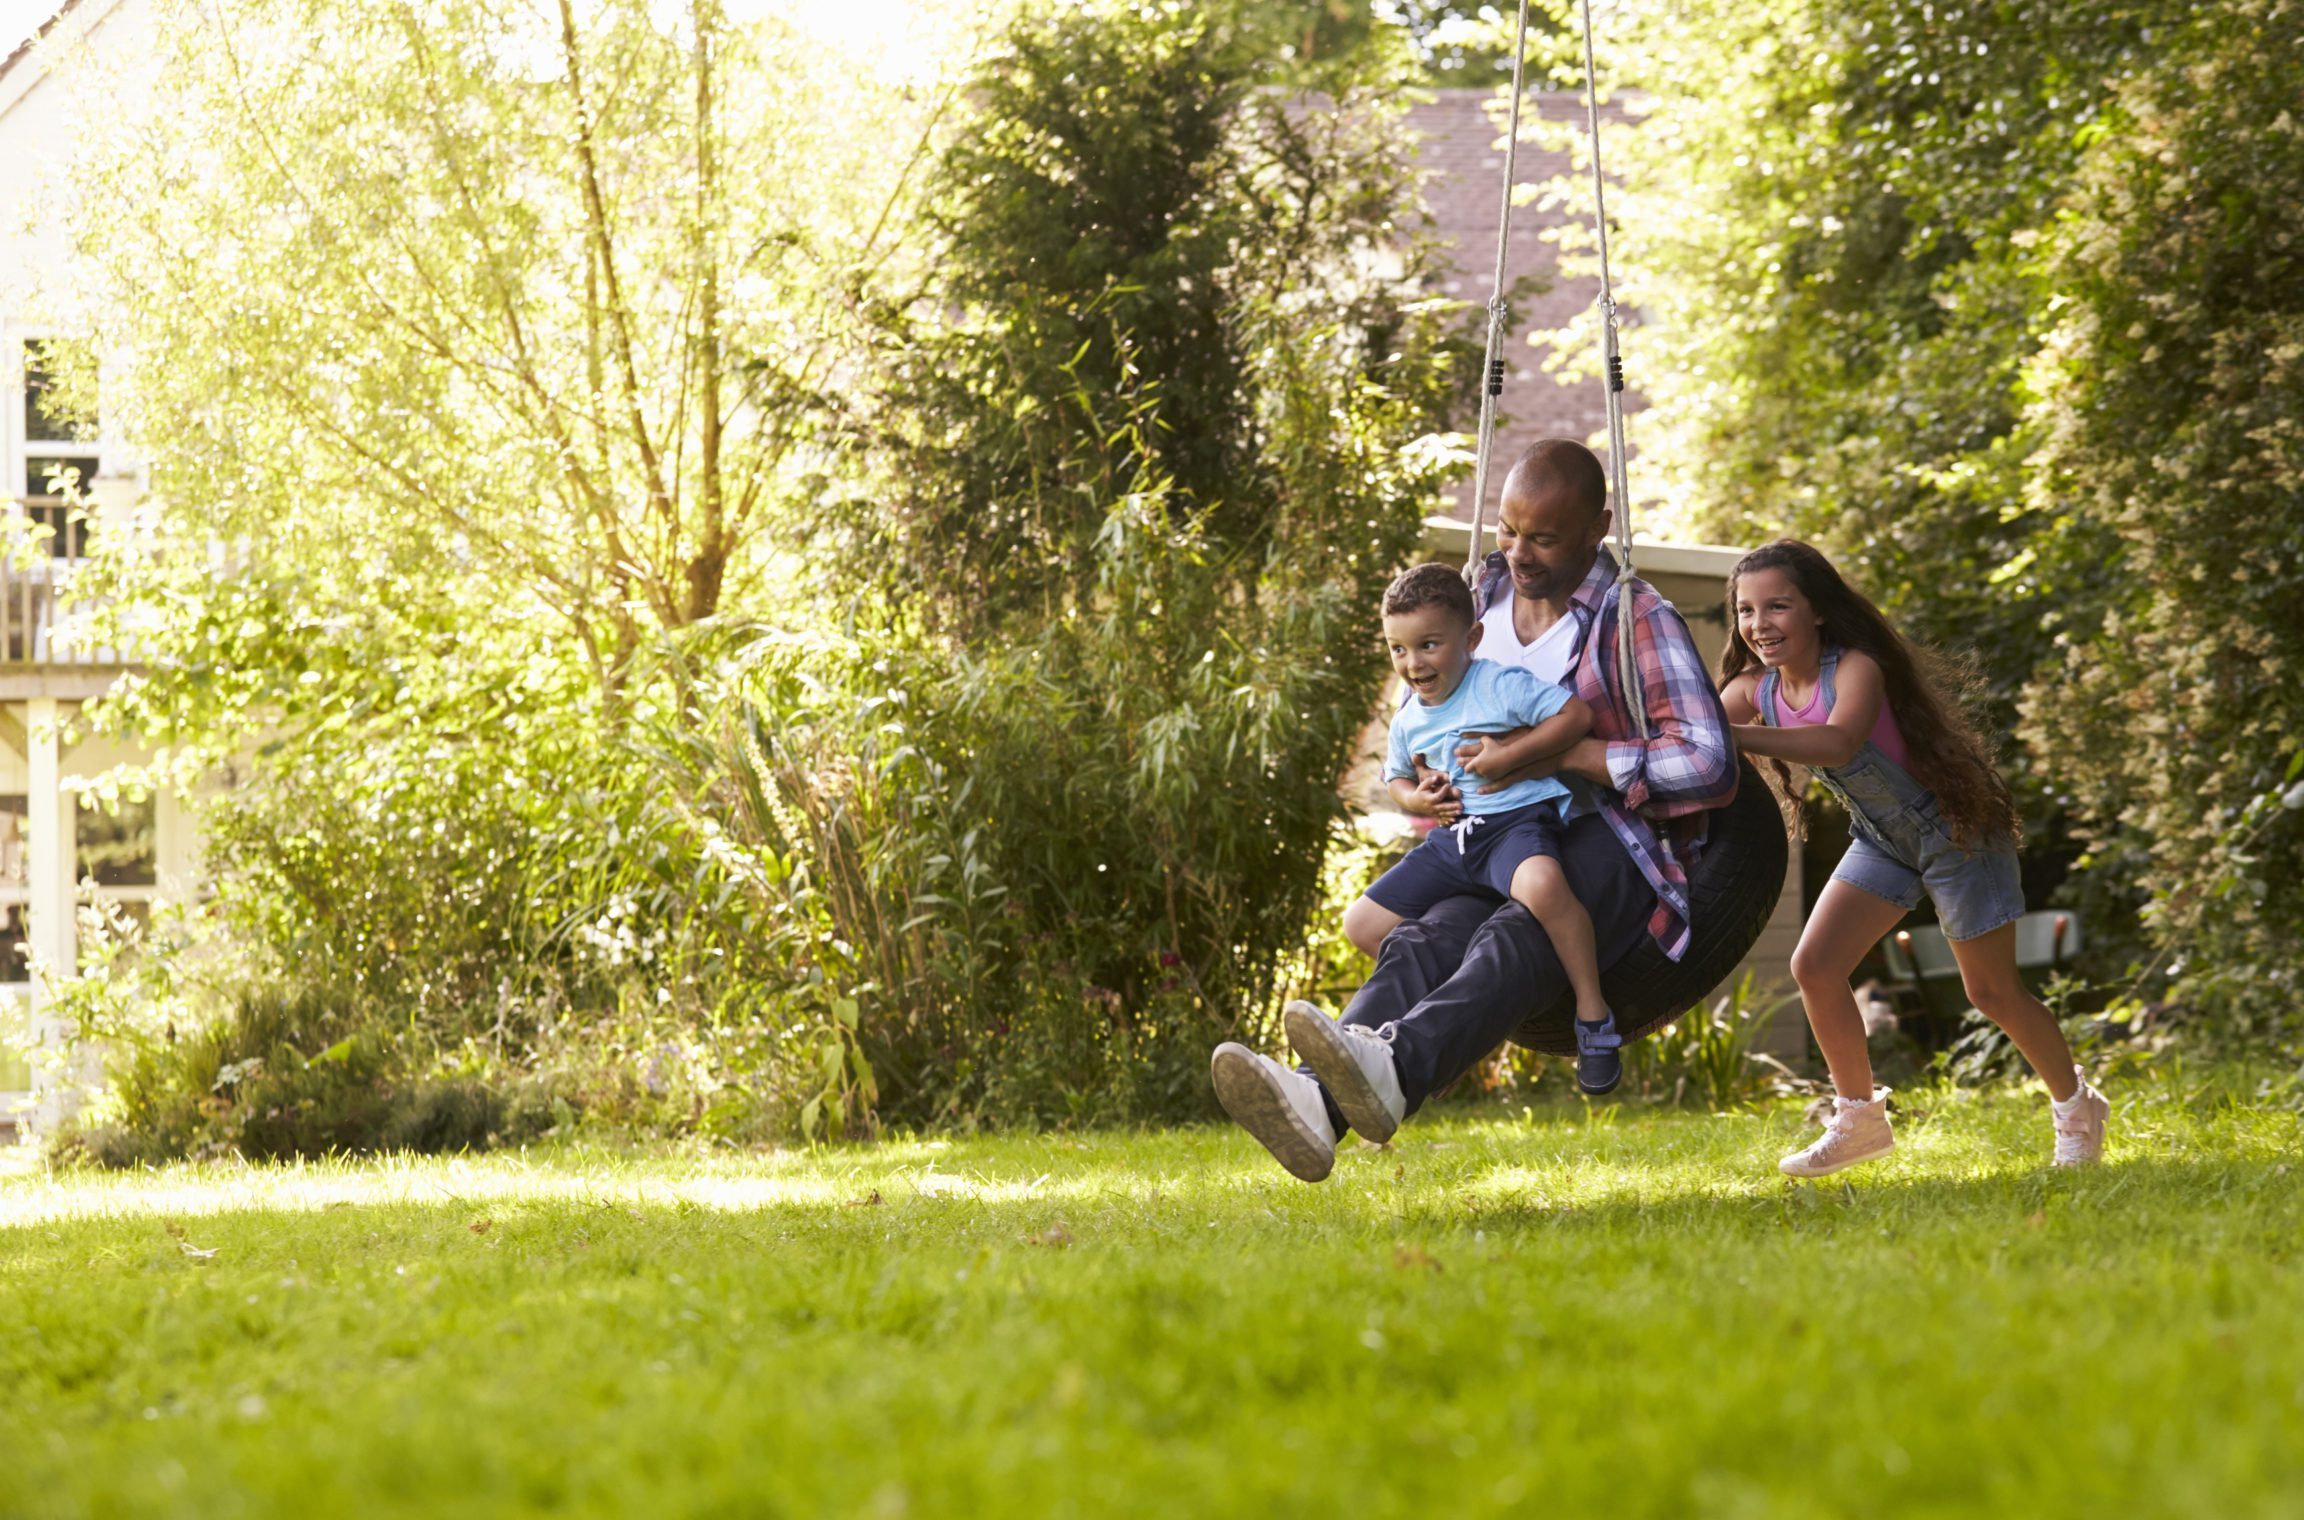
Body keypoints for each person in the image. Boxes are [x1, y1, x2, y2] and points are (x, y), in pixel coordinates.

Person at [1209, 439, 1737, 1182]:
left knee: (1518, 933)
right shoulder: (1475, 594)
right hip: (1489, 833)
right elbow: (1426, 713)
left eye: (1544, 538)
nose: (1518, 553)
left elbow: (1709, 762)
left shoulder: (1633, 619)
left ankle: (1390, 1067)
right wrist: (1426, 783)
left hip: (1604, 835)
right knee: (1421, 941)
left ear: (1599, 528)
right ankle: (1315, 1105)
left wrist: (1554, 756)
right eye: (1508, 530)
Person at [1718, 538, 2110, 1176]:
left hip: (1955, 834)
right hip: (1882, 839)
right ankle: (1859, 1122)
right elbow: (1683, 719)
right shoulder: (1753, 691)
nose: (1760, 625)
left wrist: (1725, 732)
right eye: (1746, 611)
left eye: (1778, 607)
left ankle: (2077, 1108)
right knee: (1815, 966)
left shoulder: (1855, 669)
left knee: (1991, 992)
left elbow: (1840, 741)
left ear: (1816, 610)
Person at [1307, 562, 1620, 1119]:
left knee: (1544, 887)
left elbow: (1576, 716)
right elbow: (1397, 777)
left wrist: (1510, 755)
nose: (1413, 663)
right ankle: (1438, 1030)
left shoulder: (1497, 685)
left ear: (1471, 638)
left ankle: (1593, 1014)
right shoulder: (1410, 716)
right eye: (1398, 649)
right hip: (1456, 839)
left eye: (1428, 645)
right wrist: (1418, 799)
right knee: (1363, 924)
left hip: (1515, 823)